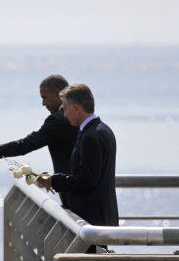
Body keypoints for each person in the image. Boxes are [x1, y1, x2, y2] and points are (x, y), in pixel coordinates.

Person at [0, 75, 78, 207]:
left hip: (76, 194)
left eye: (44, 97)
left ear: (59, 94)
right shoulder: (77, 116)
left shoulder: (58, 120)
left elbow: (24, 146)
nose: (43, 104)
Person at [35, 83, 119, 234]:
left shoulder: (90, 137)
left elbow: (86, 179)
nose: (64, 114)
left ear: (76, 108)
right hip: (102, 215)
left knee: (90, 257)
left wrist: (53, 181)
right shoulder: (103, 129)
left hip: (92, 220)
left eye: (65, 109)